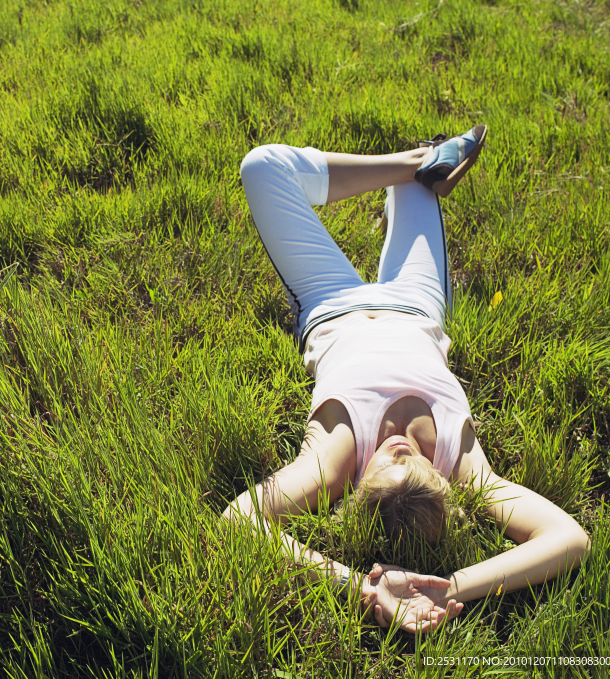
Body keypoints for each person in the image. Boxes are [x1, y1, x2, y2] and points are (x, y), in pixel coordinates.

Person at [221, 126, 591, 633]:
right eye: (410, 456)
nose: (397, 443)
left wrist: (360, 586)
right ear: (440, 479)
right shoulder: (464, 467)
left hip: (329, 303)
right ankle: (422, 166)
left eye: (386, 457)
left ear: (358, 484)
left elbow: (239, 521)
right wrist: (454, 585)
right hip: (416, 304)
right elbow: (569, 539)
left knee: (262, 167)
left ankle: (417, 160)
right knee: (419, 184)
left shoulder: (334, 463)